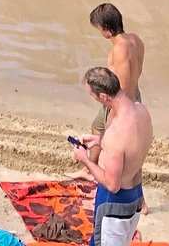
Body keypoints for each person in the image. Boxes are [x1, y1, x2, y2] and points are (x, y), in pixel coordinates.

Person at [70, 67, 152, 246]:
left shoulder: (115, 133)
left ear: (104, 97)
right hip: (136, 196)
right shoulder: (141, 111)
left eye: (93, 96)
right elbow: (131, 147)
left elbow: (112, 185)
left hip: (115, 204)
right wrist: (100, 141)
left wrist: (84, 158)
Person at [87, 4, 145, 159]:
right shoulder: (135, 40)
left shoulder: (119, 49)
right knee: (101, 130)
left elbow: (123, 87)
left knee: (102, 131)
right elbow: (137, 71)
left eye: (98, 28)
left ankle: (92, 170)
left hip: (121, 102)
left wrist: (113, 115)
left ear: (105, 28)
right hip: (136, 97)